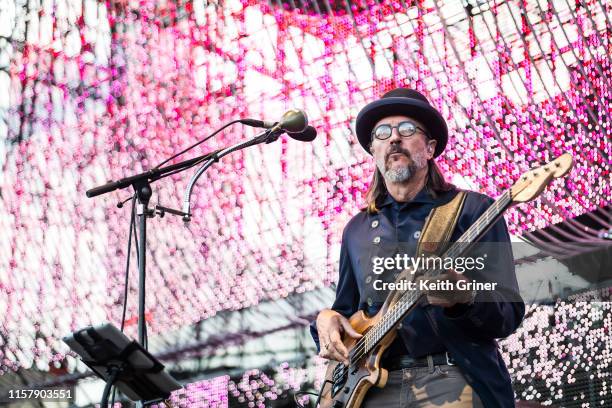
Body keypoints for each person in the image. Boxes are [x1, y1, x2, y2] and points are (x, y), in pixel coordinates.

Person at [310, 88, 525, 407]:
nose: (394, 138)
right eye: (383, 133)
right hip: (370, 390)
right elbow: (346, 311)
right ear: (373, 150)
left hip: (450, 379)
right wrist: (325, 320)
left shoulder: (472, 211)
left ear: (430, 147)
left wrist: (463, 299)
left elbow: (507, 314)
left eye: (407, 130)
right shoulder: (356, 230)